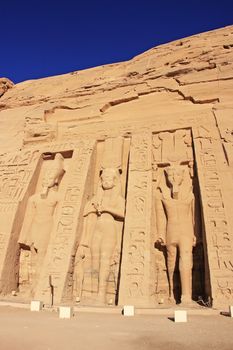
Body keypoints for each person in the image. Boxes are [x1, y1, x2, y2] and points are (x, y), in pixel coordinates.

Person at [75, 168, 125, 303]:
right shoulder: (96, 198)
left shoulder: (119, 199)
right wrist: (94, 207)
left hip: (109, 229)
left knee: (105, 260)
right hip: (96, 230)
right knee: (95, 261)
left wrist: (105, 208)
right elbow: (86, 211)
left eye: (110, 179)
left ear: (115, 182)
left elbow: (122, 213)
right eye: (104, 179)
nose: (106, 181)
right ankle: (93, 292)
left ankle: (102, 294)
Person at [18, 153, 65, 294]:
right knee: (33, 258)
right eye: (44, 177)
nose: (45, 180)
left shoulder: (58, 197)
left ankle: (39, 287)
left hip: (47, 227)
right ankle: (32, 287)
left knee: (42, 257)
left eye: (49, 178)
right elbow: (28, 217)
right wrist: (25, 236)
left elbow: (58, 216)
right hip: (35, 228)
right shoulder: (33, 198)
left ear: (56, 180)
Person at [155, 165, 196, 304]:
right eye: (171, 176)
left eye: (177, 175)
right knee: (171, 262)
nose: (174, 178)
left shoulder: (190, 194)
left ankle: (186, 296)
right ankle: (172, 293)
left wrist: (195, 233)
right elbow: (161, 217)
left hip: (186, 230)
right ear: (166, 178)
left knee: (185, 259)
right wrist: (160, 233)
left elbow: (193, 216)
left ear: (183, 177)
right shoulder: (161, 195)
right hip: (170, 230)